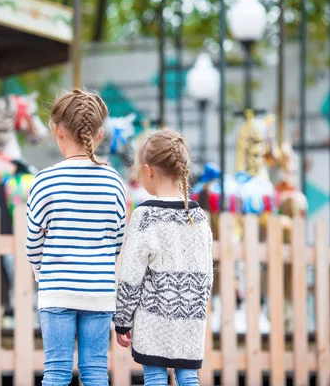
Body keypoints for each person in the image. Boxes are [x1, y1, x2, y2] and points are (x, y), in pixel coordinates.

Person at [26, 89, 126, 385]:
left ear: (57, 131)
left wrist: (42, 272)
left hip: (56, 288)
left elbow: (33, 242)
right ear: (99, 135)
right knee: (95, 369)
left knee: (56, 370)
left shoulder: (44, 181)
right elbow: (117, 239)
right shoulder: (114, 182)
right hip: (99, 291)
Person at [113, 130, 213, 386]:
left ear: (149, 170)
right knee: (188, 377)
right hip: (190, 318)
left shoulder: (146, 216)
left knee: (155, 377)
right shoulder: (199, 218)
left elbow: (131, 275)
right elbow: (207, 275)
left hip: (153, 319)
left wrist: (122, 320)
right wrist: (196, 311)